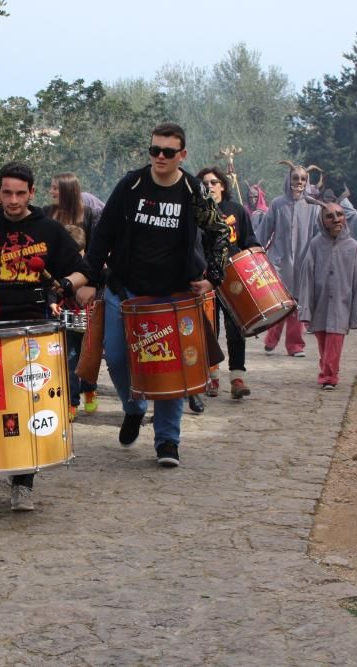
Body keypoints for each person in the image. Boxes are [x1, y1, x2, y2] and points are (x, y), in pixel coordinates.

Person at [0, 161, 90, 511]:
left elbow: (84, 270)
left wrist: (67, 284)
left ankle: (24, 481)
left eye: (19, 193)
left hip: (35, 323)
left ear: (31, 193)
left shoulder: (48, 229)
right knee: (1, 400)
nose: (12, 200)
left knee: (29, 398)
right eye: (6, 192)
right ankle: (4, 459)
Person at [81, 122, 229, 468]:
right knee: (116, 358)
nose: (159, 157)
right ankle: (133, 408)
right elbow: (103, 235)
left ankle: (167, 441)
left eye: (167, 152)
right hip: (126, 289)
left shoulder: (193, 191)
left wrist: (213, 278)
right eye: (154, 150)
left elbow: (219, 232)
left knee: (170, 370)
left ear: (182, 155)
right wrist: (89, 278)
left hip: (174, 295)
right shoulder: (131, 185)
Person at [190, 165, 258, 412]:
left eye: (214, 182)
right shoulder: (194, 213)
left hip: (233, 279)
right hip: (204, 277)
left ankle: (237, 377)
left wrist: (254, 257)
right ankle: (211, 376)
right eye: (205, 183)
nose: (210, 186)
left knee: (235, 328)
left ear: (223, 186)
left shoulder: (236, 211)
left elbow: (250, 240)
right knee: (208, 327)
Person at [297, 202, 357, 390]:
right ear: (322, 221)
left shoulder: (352, 246)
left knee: (335, 342)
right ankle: (328, 369)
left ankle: (329, 376)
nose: (336, 219)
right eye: (330, 216)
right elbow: (307, 277)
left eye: (339, 214)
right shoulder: (315, 244)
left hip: (341, 303)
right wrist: (306, 307)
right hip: (320, 302)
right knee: (323, 342)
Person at [47, 173, 99, 418]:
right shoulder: (48, 213)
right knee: (68, 353)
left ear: (68, 190)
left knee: (89, 349)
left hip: (85, 293)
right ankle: (71, 401)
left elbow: (97, 252)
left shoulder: (87, 213)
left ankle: (90, 390)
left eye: (56, 188)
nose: (52, 191)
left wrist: (91, 284)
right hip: (60, 291)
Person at [256, 160, 321, 356]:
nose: (299, 182)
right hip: (279, 261)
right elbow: (265, 231)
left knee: (296, 304)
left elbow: (319, 235)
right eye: (295, 178)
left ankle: (295, 346)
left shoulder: (313, 206)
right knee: (280, 303)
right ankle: (271, 339)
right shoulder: (278, 204)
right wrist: (256, 252)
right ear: (289, 179)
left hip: (302, 262)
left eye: (303, 179)